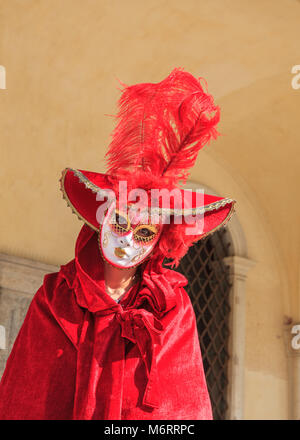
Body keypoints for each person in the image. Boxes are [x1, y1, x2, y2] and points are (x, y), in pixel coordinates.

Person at [0, 68, 236, 420]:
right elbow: (27, 397)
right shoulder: (56, 296)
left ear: (158, 242)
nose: (127, 240)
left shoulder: (170, 307)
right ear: (101, 221)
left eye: (144, 233)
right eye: (121, 222)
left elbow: (182, 406)